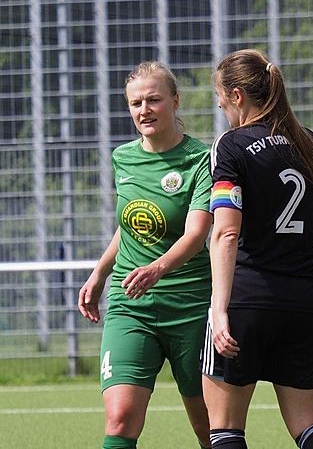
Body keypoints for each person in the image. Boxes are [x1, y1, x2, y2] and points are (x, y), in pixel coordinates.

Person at [200, 49, 313, 449]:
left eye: (221, 100)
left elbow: (226, 234)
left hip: (247, 299)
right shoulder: (307, 143)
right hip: (301, 302)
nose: (221, 109)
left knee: (226, 429)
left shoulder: (230, 146)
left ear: (237, 95)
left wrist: (218, 309)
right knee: (310, 426)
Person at [77, 61, 213, 449]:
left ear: (175, 101)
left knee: (212, 429)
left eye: (154, 99)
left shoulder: (201, 159)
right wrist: (99, 273)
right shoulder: (123, 158)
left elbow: (197, 232)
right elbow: (131, 224)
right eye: (136, 103)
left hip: (190, 304)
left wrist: (157, 268)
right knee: (120, 419)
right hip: (130, 304)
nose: (144, 110)